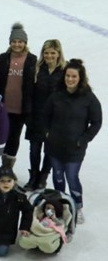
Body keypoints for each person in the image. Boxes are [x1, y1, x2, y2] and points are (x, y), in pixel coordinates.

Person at [43, 59, 102, 223]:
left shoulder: (89, 98)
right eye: (68, 76)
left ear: (80, 78)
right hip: (54, 146)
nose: (70, 79)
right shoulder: (56, 95)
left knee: (72, 176)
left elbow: (96, 122)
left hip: (75, 148)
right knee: (58, 176)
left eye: (74, 76)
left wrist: (84, 139)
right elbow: (45, 116)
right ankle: (60, 205)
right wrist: (47, 133)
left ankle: (77, 205)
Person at [0, 23, 36, 172]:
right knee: (2, 135)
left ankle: (8, 167)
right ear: (10, 42)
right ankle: (1, 165)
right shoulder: (3, 58)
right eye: (14, 41)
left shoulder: (32, 60)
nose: (17, 44)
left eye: (20, 42)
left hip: (21, 108)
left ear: (25, 43)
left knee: (14, 138)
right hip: (3, 106)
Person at [26, 40, 65, 190]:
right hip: (36, 115)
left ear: (58, 54)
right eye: (46, 52)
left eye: (52, 53)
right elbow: (29, 93)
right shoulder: (36, 69)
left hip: (54, 119)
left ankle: (43, 176)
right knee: (34, 149)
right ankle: (33, 176)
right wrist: (28, 115)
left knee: (49, 150)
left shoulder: (63, 71)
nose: (49, 55)